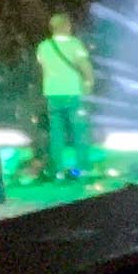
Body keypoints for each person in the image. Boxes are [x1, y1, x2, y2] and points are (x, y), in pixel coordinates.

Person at [34, 16, 94, 181]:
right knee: (79, 131)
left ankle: (58, 170)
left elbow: (43, 65)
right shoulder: (74, 44)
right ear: (66, 26)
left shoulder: (43, 46)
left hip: (53, 93)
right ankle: (82, 168)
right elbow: (84, 64)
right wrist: (89, 82)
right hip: (73, 92)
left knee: (56, 134)